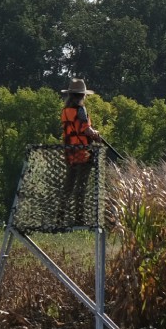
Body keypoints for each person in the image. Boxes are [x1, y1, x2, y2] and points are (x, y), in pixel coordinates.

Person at [59, 79, 104, 225]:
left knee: (69, 185)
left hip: (70, 153)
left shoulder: (65, 111)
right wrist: (96, 133)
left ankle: (60, 215)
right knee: (81, 186)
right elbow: (86, 129)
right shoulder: (81, 110)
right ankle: (79, 218)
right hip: (83, 154)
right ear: (82, 96)